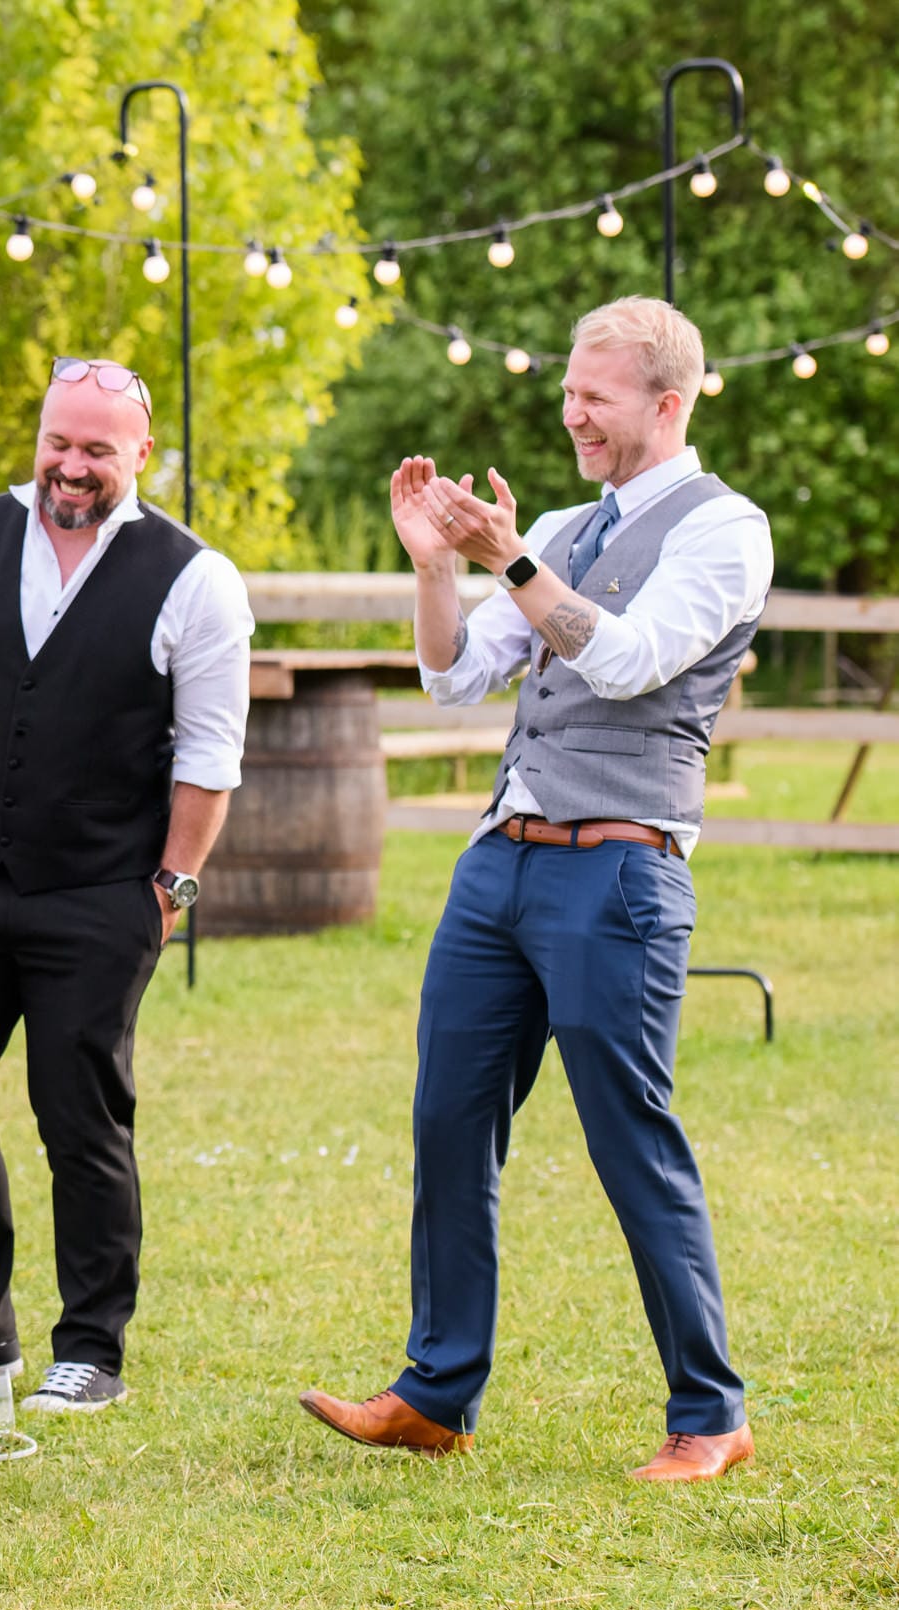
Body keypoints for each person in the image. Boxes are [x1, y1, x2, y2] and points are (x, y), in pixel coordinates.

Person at [299, 296, 770, 1483]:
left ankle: (710, 1412)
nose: (571, 412)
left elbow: (620, 660)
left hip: (620, 872)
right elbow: (455, 682)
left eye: (594, 396)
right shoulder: (563, 521)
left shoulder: (726, 531)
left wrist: (504, 557)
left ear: (667, 404)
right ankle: (434, 1393)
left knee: (629, 1139)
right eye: (567, 390)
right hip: (498, 864)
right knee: (448, 1122)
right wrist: (432, 570)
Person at [0, 357, 254, 1416]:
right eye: (57, 441)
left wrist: (167, 890)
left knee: (78, 1114)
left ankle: (90, 1344)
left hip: (99, 890)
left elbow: (209, 755)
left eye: (96, 448)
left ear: (139, 455)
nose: (71, 465)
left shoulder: (194, 576)